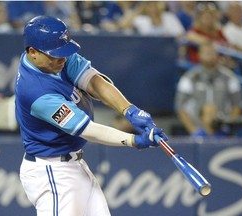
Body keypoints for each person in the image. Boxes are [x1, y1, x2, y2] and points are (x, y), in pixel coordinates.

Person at [15, 16, 167, 216]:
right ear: (32, 52)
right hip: (52, 172)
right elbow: (88, 130)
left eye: (63, 53)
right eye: (55, 55)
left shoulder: (53, 58)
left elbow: (94, 81)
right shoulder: (36, 91)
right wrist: (133, 140)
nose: (62, 59)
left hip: (74, 165)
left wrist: (129, 110)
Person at [174, 43, 242, 135]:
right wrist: (193, 130)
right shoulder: (190, 77)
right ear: (199, 55)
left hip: (223, 129)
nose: (210, 56)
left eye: (212, 53)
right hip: (197, 128)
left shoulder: (229, 77)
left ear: (217, 55)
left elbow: (237, 104)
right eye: (206, 53)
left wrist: (230, 127)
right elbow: (180, 106)